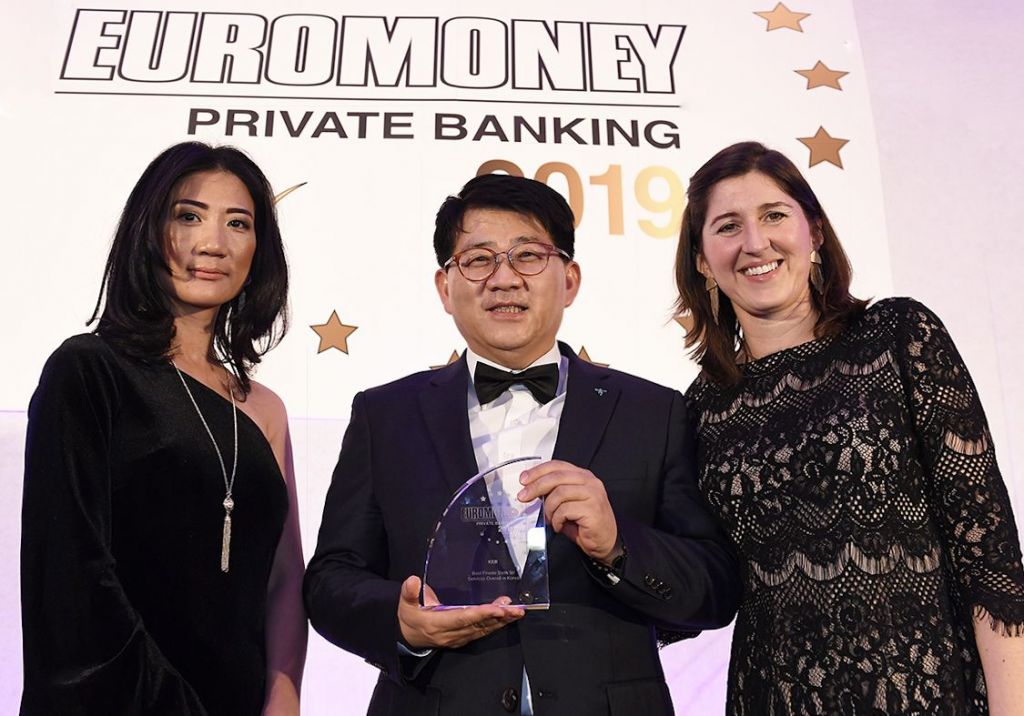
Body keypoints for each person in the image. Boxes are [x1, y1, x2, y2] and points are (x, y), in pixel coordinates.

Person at [304, 173, 741, 715]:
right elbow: (330, 580)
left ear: (570, 280)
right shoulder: (384, 415)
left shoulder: (653, 411)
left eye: (528, 256)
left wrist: (617, 546)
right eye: (478, 259)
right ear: (445, 287)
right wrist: (400, 620)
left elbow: (714, 589)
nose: (504, 279)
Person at [674, 141, 1024, 714]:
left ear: (813, 232)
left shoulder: (897, 335)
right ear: (702, 261)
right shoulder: (699, 410)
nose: (755, 243)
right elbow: (701, 584)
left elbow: (988, 554)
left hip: (926, 694)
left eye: (774, 215)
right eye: (728, 226)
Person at [21, 142, 307, 715]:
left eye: (238, 223)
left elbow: (283, 579)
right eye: (188, 216)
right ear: (148, 230)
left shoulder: (265, 409)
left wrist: (283, 699)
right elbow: (71, 576)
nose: (212, 244)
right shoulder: (89, 371)